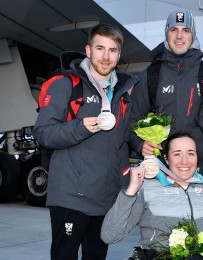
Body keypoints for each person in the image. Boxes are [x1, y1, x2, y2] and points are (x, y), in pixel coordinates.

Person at [33, 23, 138, 260]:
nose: (106, 56)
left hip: (106, 198)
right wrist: (80, 127)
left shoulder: (124, 92)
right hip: (71, 197)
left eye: (112, 50)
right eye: (100, 48)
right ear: (88, 50)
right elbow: (43, 133)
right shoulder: (66, 85)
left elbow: (130, 134)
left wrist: (144, 145)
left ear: (119, 55)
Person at [101, 132, 203, 259]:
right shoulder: (149, 188)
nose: (184, 161)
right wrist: (131, 190)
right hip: (161, 255)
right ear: (166, 159)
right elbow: (109, 235)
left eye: (191, 153)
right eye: (177, 154)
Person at [129, 8, 203, 175]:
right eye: (173, 30)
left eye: (186, 30)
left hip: (201, 171)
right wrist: (140, 144)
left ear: (193, 35)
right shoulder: (150, 75)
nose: (179, 36)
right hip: (160, 171)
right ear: (167, 34)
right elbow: (131, 120)